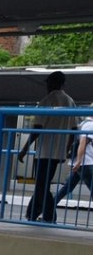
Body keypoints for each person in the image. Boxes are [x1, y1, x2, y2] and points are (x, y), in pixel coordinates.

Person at [18, 70, 77, 223]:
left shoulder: (46, 101)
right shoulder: (70, 102)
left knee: (42, 184)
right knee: (42, 183)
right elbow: (74, 130)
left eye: (48, 83)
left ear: (51, 83)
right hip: (58, 152)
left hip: (44, 151)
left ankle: (49, 216)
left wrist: (24, 149)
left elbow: (37, 127)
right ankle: (32, 212)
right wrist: (67, 149)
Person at [52, 114, 93, 214]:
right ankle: (48, 209)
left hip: (79, 163)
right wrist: (79, 161)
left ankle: (48, 209)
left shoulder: (82, 124)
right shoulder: (90, 125)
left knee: (67, 188)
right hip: (85, 163)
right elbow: (83, 143)